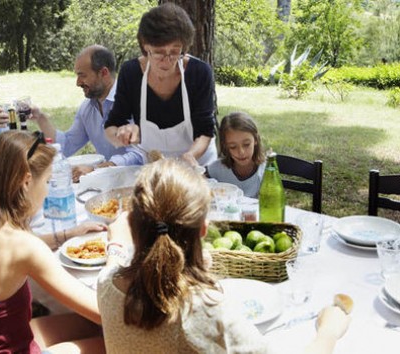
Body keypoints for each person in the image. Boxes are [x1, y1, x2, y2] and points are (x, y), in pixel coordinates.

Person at [98, 159, 350, 354]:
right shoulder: (204, 311)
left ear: (132, 224)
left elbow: (114, 264)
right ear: (204, 230)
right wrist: (328, 332)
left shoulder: (106, 285)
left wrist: (116, 243)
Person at [0, 131, 105, 353]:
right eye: (47, 181)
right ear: (26, 181)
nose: (47, 191)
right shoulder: (24, 247)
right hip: (9, 349)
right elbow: (102, 312)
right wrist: (117, 248)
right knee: (114, 341)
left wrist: (67, 234)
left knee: (86, 326)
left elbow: (12, 251)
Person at [104, 3, 217, 167]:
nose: (167, 60)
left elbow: (205, 131)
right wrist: (122, 134)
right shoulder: (131, 73)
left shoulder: (199, 72)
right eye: (158, 52)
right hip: (153, 166)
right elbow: (111, 126)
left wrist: (190, 156)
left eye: (175, 51)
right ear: (145, 46)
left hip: (197, 163)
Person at [32, 45, 143, 182]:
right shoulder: (87, 109)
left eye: (82, 75)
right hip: (108, 184)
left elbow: (141, 154)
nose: (78, 83)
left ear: (104, 73)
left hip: (139, 184)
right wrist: (40, 118)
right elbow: (66, 146)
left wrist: (96, 169)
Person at [207, 112, 266, 198]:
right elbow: (196, 180)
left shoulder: (266, 171)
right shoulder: (217, 168)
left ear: (256, 140)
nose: (241, 152)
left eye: (246, 144)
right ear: (225, 146)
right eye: (233, 147)